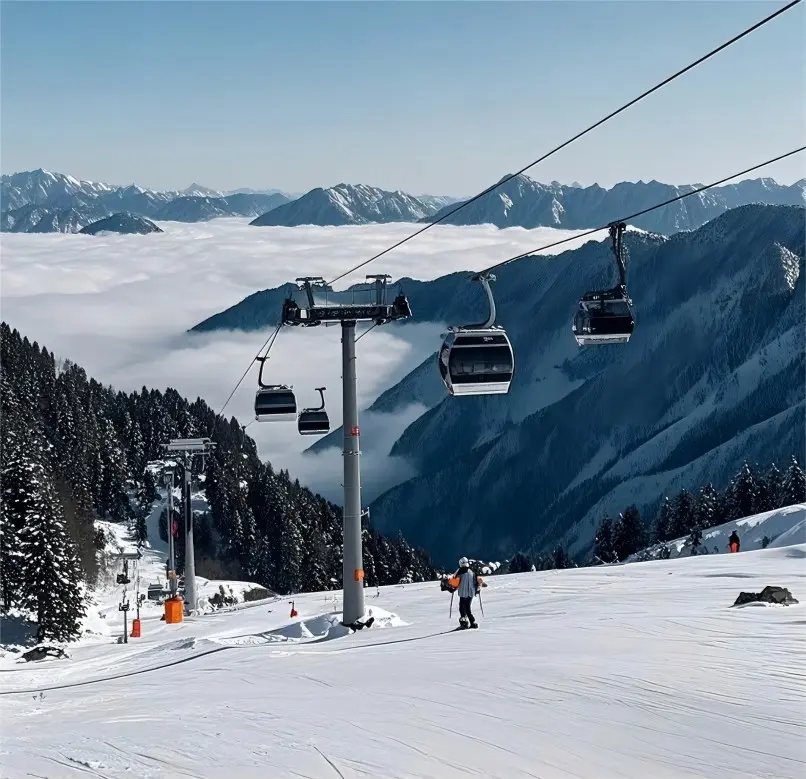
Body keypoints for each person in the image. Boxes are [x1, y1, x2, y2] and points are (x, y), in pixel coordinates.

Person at [451, 557, 486, 629]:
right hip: (471, 593)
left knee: (462, 608)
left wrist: (449, 586)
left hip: (463, 593)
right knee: (467, 608)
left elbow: (454, 582)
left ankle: (464, 623)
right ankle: (472, 622)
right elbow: (475, 581)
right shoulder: (471, 571)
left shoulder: (460, 571)